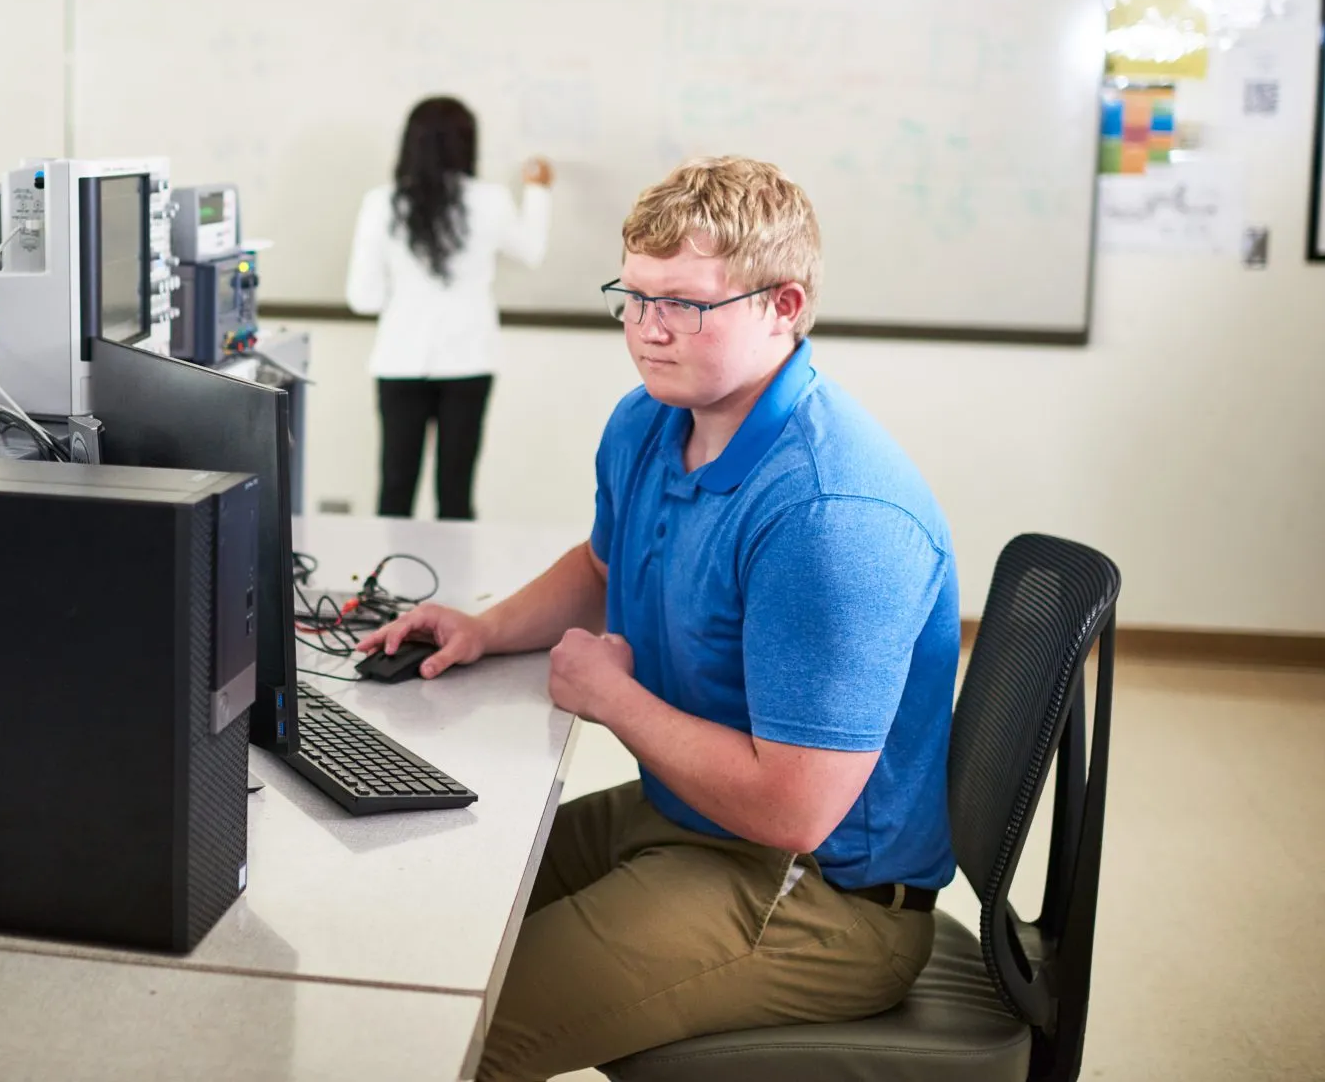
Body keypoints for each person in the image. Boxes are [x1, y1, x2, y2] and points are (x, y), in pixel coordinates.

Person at [358, 156, 960, 1081]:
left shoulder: (829, 513)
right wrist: (486, 626)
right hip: (686, 817)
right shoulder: (648, 422)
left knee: (445, 1038)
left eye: (682, 303)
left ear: (784, 306)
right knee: (423, 917)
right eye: (632, 297)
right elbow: (604, 563)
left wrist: (612, 698)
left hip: (820, 897)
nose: (646, 330)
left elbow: (796, 810)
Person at [345, 95, 552, 520]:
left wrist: (408, 300)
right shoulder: (490, 200)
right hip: (470, 357)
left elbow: (362, 299)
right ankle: (454, 588)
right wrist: (537, 191)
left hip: (400, 359)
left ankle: (381, 586)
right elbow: (531, 251)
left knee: (395, 490)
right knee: (456, 494)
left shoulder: (382, 203)